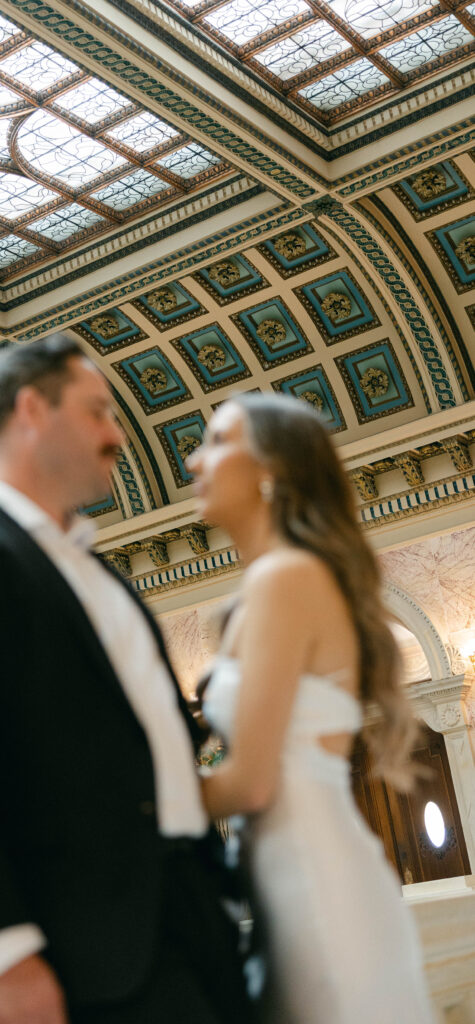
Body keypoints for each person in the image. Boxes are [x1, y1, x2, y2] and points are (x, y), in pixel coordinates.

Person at [0, 334, 257, 1024]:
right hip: (70, 949)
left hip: (192, 926)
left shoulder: (100, 573)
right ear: (30, 412)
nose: (116, 434)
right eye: (97, 411)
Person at [187, 392, 436, 1024]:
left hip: (316, 888)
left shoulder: (287, 579)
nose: (193, 461)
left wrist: (123, 803)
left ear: (271, 470)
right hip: (287, 876)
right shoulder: (268, 584)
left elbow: (250, 780)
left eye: (217, 442)